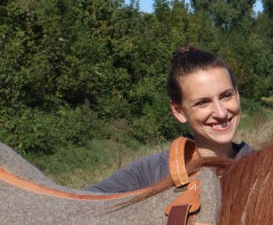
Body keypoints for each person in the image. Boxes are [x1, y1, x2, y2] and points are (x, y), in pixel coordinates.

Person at [87, 45, 253, 193]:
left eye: (226, 96)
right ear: (179, 111)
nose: (221, 113)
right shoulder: (151, 173)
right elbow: (83, 204)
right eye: (203, 103)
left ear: (237, 95)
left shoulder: (266, 169)